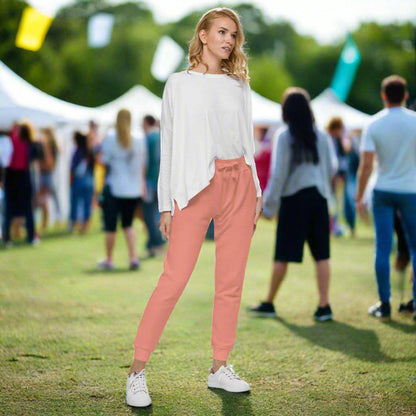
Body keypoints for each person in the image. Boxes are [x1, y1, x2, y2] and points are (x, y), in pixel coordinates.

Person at [126, 8, 263, 408]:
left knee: (231, 282)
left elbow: (247, 140)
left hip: (239, 183)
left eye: (234, 35)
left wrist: (255, 187)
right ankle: (136, 371)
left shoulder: (239, 84)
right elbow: (168, 145)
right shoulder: (178, 84)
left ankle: (220, 367)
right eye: (221, 32)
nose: (229, 40)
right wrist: (166, 202)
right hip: (194, 189)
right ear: (202, 35)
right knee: (173, 280)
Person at [248, 87, 338, 322]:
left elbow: (279, 175)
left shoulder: (284, 136)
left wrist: (268, 207)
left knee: (282, 255)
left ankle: (269, 302)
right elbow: (332, 169)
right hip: (318, 198)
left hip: (293, 201)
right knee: (322, 255)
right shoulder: (322, 135)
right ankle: (324, 305)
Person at [356, 75, 416, 322]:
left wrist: (359, 197)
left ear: (383, 96)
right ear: (405, 95)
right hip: (411, 191)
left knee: (382, 248)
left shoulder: (374, 123)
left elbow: (366, 165)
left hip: (383, 190)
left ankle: (384, 304)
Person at [98, 109, 146, 270]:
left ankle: (109, 259)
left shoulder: (110, 138)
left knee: (111, 226)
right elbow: (142, 165)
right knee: (128, 224)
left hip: (114, 188)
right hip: (133, 189)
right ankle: (133, 258)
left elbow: (103, 161)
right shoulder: (139, 138)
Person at [3, 122, 39, 245]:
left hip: (13, 177)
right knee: (27, 209)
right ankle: (30, 236)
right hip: (22, 177)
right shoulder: (28, 143)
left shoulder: (11, 140)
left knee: (10, 209)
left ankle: (8, 237)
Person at [141, 115, 166, 257]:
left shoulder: (148, 138)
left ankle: (157, 243)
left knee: (150, 215)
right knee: (158, 214)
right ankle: (153, 243)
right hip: (162, 182)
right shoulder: (163, 137)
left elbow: (144, 162)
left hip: (150, 181)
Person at [69, 131, 95, 234]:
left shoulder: (78, 152)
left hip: (79, 180)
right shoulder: (89, 152)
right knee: (87, 204)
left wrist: (70, 180)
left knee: (75, 203)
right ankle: (85, 224)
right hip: (89, 180)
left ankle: (74, 223)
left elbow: (72, 168)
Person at [37, 127, 60, 232]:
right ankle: (47, 220)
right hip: (46, 174)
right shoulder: (50, 146)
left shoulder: (50, 147)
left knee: (47, 198)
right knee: (46, 199)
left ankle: (53, 219)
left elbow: (50, 164)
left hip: (47, 174)